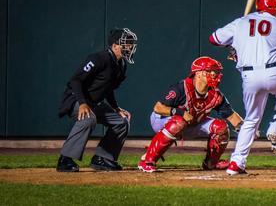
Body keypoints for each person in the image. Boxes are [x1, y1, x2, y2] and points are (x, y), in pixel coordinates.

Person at [209, 0, 276, 175]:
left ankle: (236, 163)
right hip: (273, 71)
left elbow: (214, 39)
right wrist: (237, 46)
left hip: (249, 77)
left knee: (251, 120)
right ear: (271, 7)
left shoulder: (240, 22)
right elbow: (263, 44)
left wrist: (233, 45)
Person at [137, 56, 243, 172]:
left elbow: (232, 116)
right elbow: (158, 108)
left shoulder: (216, 95)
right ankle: (147, 160)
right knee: (178, 122)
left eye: (216, 71)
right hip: (162, 120)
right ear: (197, 73)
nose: (214, 74)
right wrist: (180, 112)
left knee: (221, 128)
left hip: (191, 123)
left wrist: (246, 129)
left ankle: (211, 163)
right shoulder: (182, 88)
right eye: (209, 71)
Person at [56, 28, 138, 172]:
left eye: (130, 44)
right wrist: (82, 103)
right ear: (114, 45)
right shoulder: (98, 58)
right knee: (88, 118)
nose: (129, 47)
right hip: (75, 99)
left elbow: (108, 89)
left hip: (94, 104)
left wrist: (116, 108)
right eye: (126, 43)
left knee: (122, 122)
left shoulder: (121, 65)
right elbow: (75, 80)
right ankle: (65, 159)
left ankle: (102, 159)